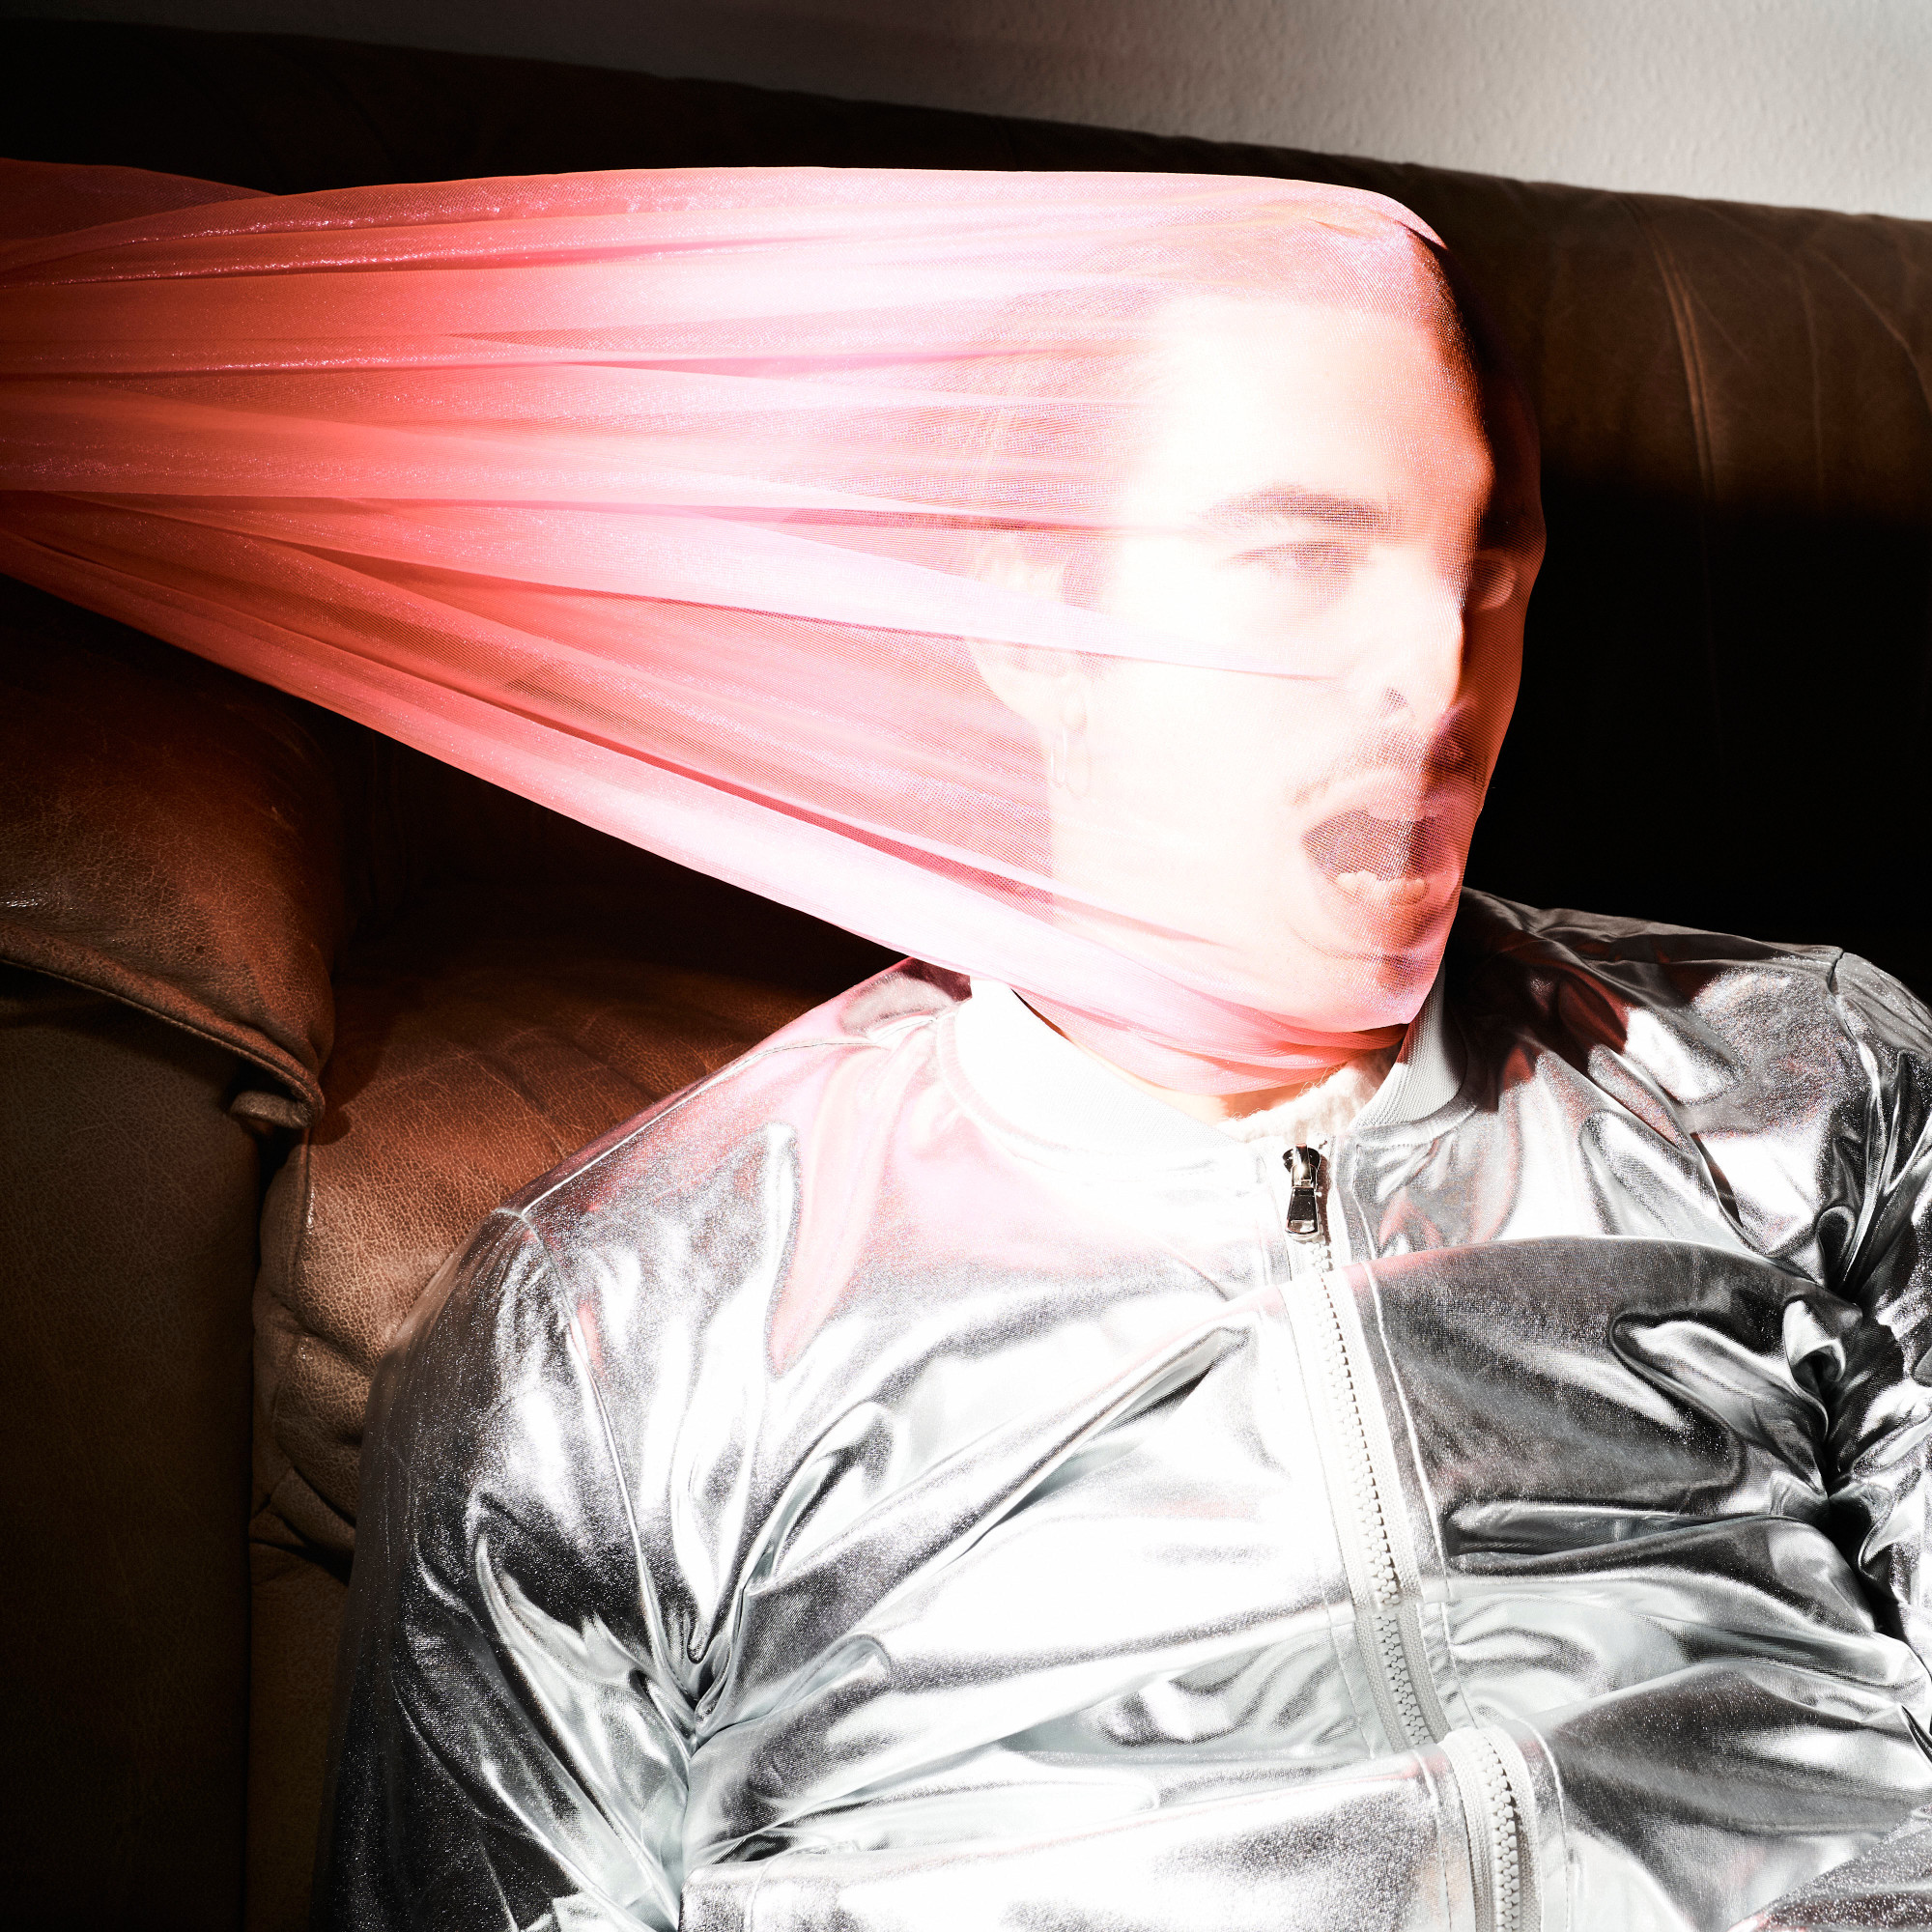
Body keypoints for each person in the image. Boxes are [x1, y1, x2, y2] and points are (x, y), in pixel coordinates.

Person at [306, 183, 1932, 1932]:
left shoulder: (1808, 1082)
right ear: (1029, 631)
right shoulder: (623, 1326)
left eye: (1487, 569)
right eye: (1302, 559)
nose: (1437, 674)